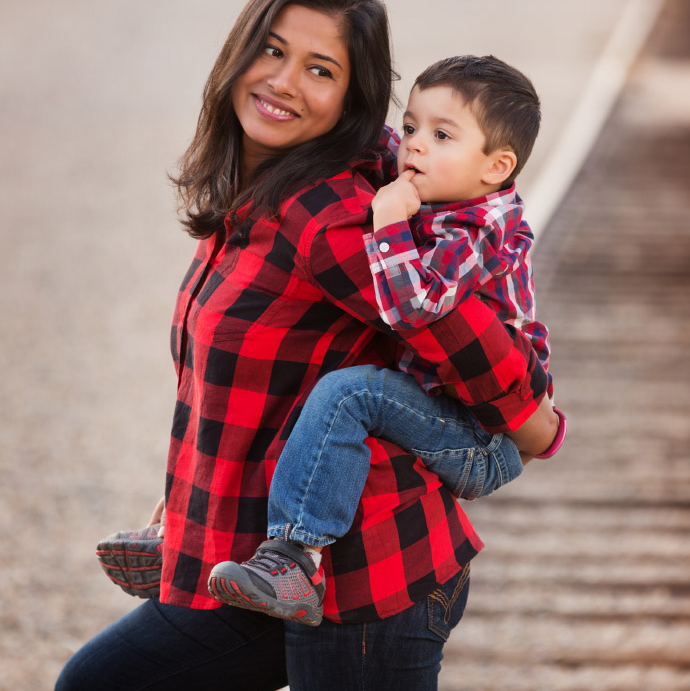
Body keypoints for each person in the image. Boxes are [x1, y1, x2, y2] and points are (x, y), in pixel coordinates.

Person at [55, 0, 557, 691]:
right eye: (273, 50)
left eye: (321, 70)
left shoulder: (327, 216)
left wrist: (529, 417)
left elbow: (443, 311)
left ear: (350, 97)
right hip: (275, 567)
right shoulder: (266, 189)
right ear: (239, 52)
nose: (285, 82)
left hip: (370, 586)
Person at [208, 53, 564, 627]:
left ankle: (295, 558)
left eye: (442, 135)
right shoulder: (450, 197)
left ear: (497, 166)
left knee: (348, 394)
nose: (414, 146)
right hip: (449, 414)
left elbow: (414, 307)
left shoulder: (481, 228)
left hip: (478, 437)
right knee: (315, 389)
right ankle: (192, 534)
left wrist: (389, 221)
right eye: (411, 127)